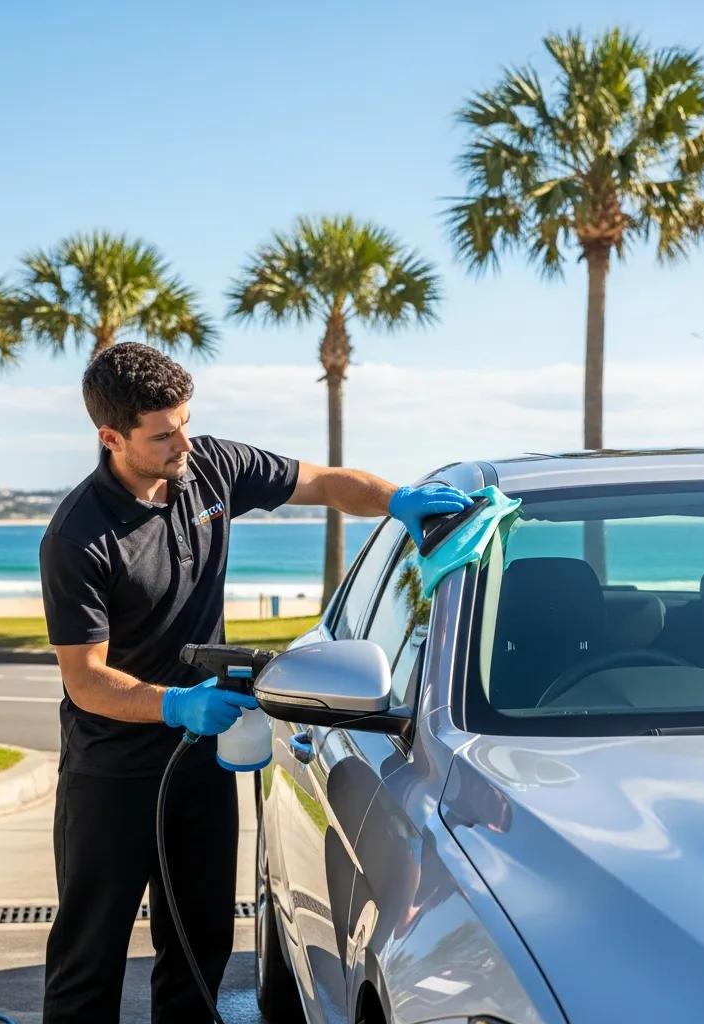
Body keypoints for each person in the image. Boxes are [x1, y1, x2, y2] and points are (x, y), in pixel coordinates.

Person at [38, 342, 471, 1023]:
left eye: (185, 420)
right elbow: (86, 680)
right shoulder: (79, 537)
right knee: (88, 962)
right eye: (163, 434)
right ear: (111, 437)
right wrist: (176, 704)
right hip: (111, 778)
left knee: (200, 947)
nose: (183, 440)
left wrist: (397, 500)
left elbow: (325, 483)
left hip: (200, 771)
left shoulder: (209, 466)